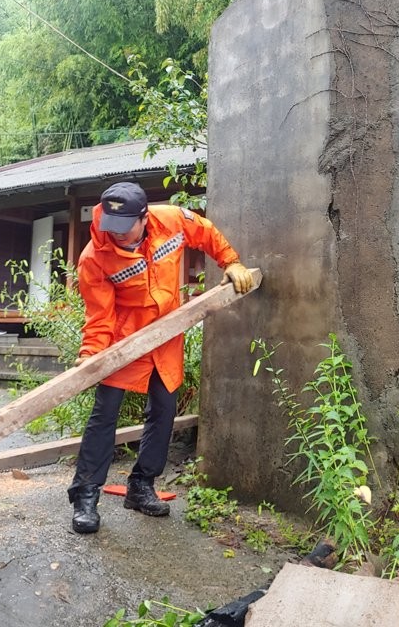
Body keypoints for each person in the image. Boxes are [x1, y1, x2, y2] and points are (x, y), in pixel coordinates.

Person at [68, 181, 253, 534]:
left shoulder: (170, 220)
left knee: (164, 410)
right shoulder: (95, 257)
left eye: (126, 228)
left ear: (144, 218)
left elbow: (205, 231)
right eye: (112, 226)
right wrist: (91, 354)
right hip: (124, 343)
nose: (118, 235)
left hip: (167, 336)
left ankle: (141, 486)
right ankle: (86, 495)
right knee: (104, 414)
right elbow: (99, 316)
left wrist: (230, 261)